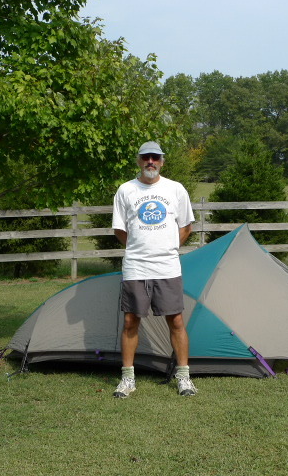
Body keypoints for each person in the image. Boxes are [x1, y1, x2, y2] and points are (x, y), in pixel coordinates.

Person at [111, 141, 197, 398]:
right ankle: (127, 379)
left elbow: (186, 226)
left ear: (162, 161)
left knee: (177, 320)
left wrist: (168, 248)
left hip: (167, 266)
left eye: (155, 157)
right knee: (130, 321)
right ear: (138, 160)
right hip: (136, 266)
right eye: (146, 157)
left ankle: (184, 377)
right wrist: (140, 249)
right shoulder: (126, 190)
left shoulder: (176, 189)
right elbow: (119, 229)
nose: (151, 161)